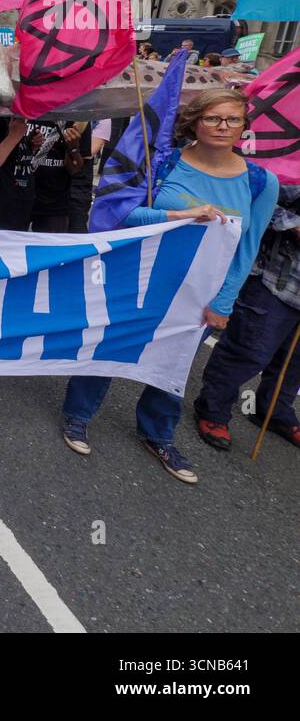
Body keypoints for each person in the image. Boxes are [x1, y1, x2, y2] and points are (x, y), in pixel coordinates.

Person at [61, 89, 279, 484]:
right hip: (141, 277)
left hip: (199, 294)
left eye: (232, 119)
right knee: (112, 345)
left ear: (244, 126)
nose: (222, 126)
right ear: (194, 121)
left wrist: (224, 301)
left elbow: (248, 247)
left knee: (174, 362)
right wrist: (180, 214)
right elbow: (120, 212)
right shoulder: (164, 162)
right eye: (212, 118)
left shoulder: (262, 182)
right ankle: (78, 414)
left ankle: (158, 433)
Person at [193, 183, 300, 451]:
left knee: (295, 361)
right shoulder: (292, 164)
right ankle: (213, 409)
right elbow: (252, 193)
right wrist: (293, 224)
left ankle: (274, 411)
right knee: (248, 350)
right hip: (275, 281)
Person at [29, 123, 83, 233]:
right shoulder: (21, 110)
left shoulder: (77, 119)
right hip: (17, 198)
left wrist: (73, 147)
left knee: (48, 249)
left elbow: (74, 169)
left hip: (54, 204)